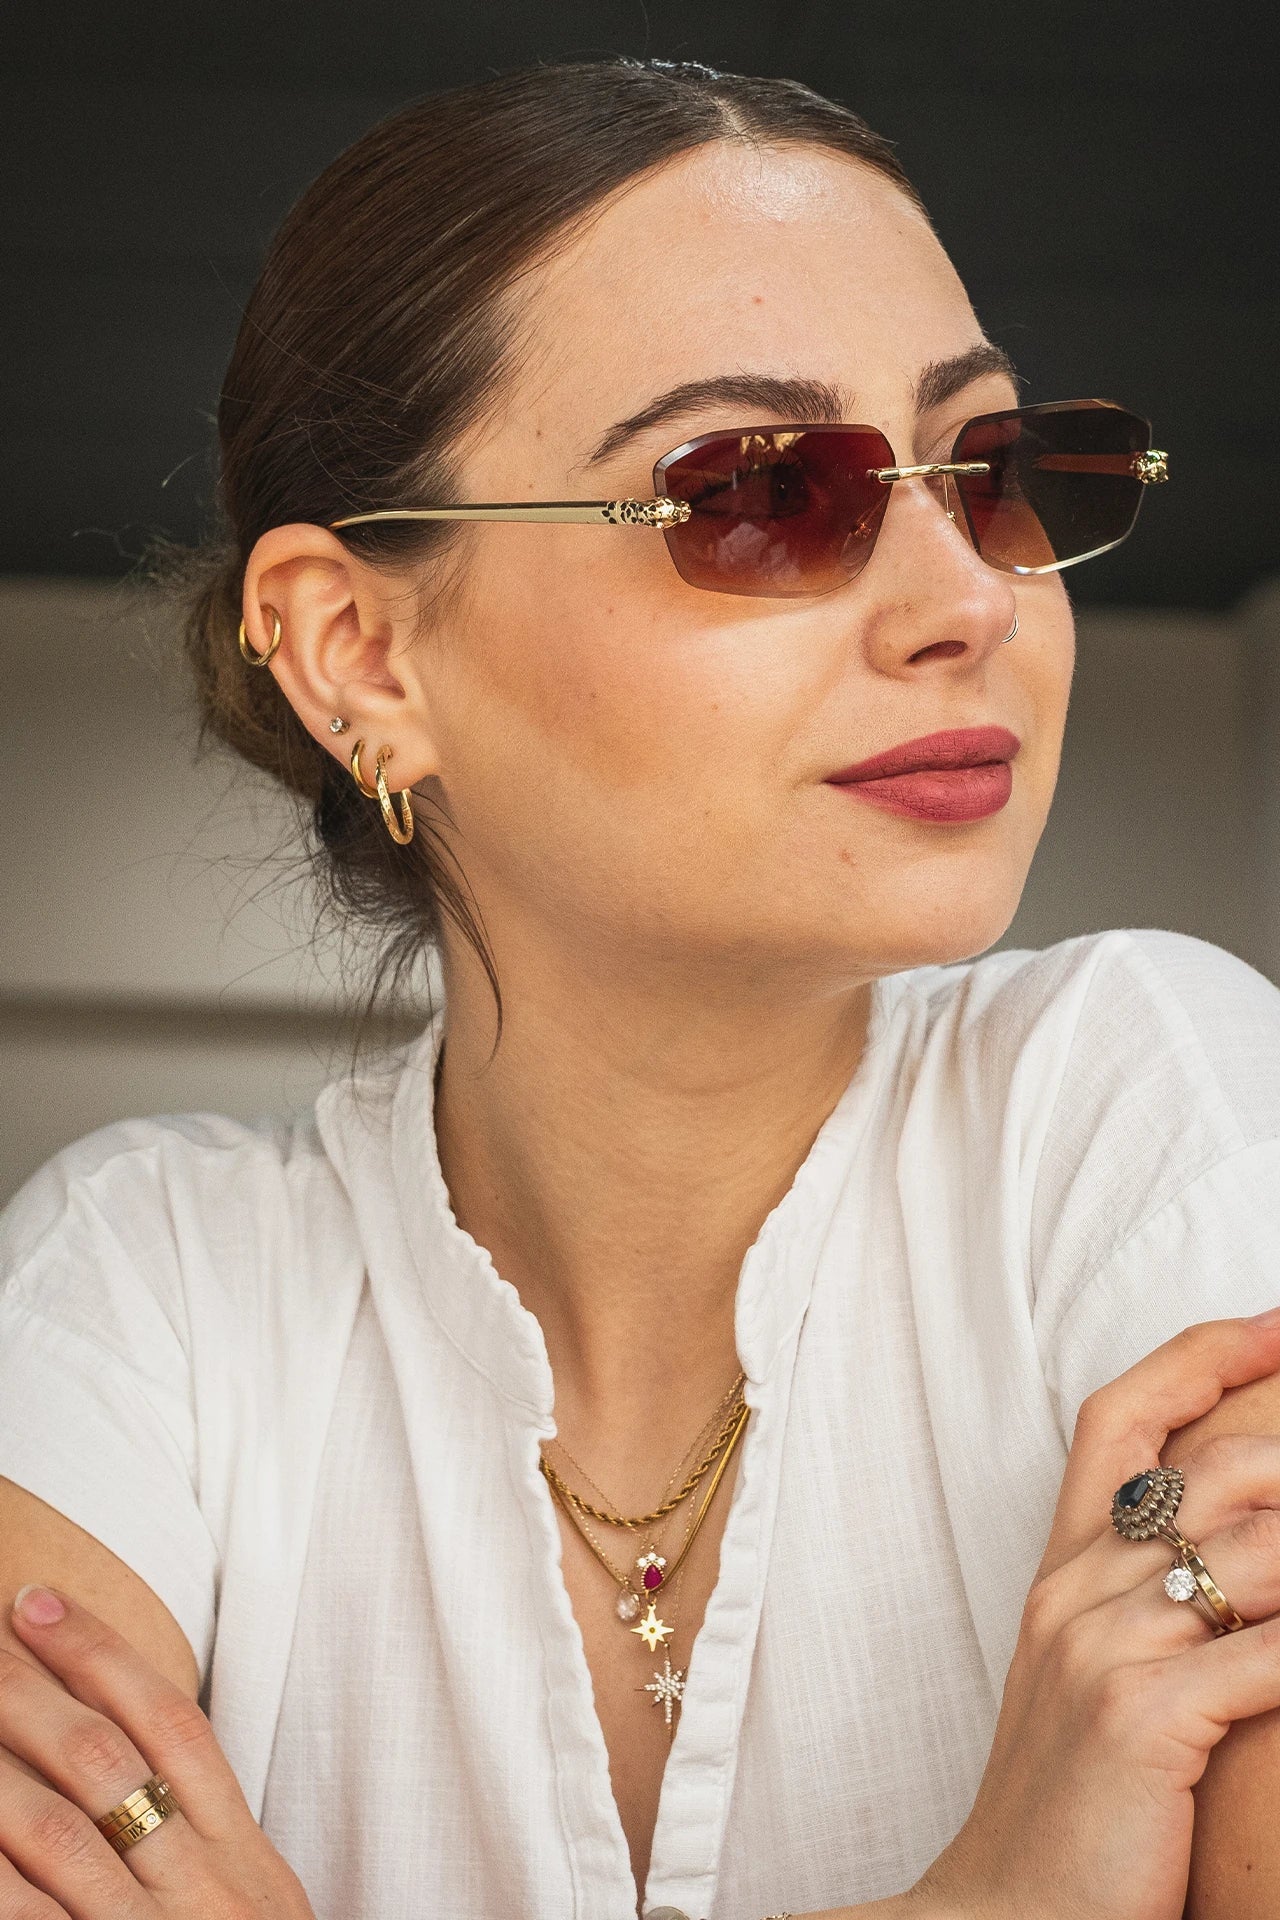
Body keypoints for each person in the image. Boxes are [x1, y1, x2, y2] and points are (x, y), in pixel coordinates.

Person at [2, 52, 1280, 1920]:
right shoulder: (144, 1289)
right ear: (360, 655)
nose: (970, 603)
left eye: (992, 473)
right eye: (760, 491)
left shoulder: (1146, 1096)